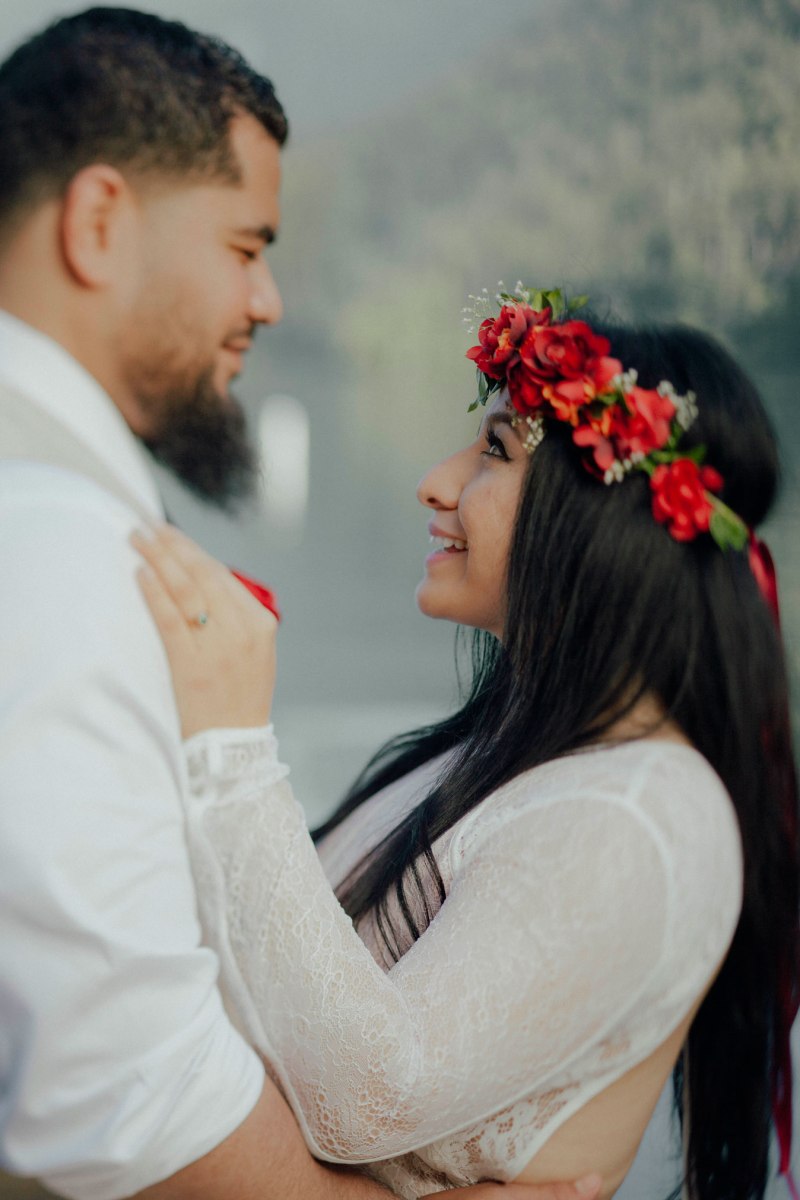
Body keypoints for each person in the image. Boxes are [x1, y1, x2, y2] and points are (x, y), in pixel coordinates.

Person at [0, 9, 600, 1200]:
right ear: (101, 221)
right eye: (243, 244)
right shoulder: (59, 553)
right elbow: (123, 1107)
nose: (270, 299)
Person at [132, 286, 800, 1200]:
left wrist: (232, 744)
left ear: (600, 513)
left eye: (495, 449)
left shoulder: (644, 814)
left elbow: (367, 1098)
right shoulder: (529, 752)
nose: (436, 481)